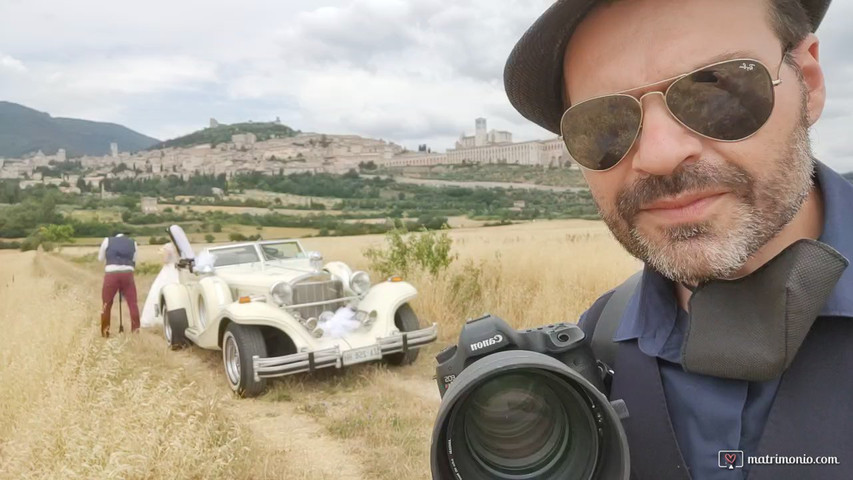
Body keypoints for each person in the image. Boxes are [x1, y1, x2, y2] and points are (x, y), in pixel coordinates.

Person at [504, 0, 850, 479]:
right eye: (604, 126)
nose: (660, 155)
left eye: (716, 92)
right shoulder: (599, 342)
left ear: (808, 83)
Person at [98, 232, 140, 337]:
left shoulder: (107, 240)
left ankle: (105, 331)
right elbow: (134, 260)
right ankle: (135, 331)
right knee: (132, 303)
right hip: (127, 273)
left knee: (106, 304)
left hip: (111, 273)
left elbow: (100, 258)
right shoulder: (133, 243)